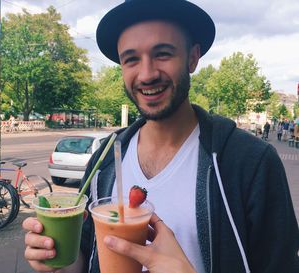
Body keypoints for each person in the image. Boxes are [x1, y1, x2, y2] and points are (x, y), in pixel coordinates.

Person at [23, 1, 299, 272]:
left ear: (192, 58)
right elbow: (84, 257)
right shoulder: (104, 159)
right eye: (131, 59)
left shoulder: (250, 162)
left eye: (163, 54)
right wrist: (59, 260)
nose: (146, 74)